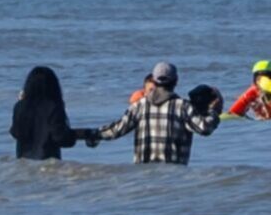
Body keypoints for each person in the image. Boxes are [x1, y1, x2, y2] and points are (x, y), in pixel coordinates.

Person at [91, 62, 220, 164]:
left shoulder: (139, 106)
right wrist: (214, 110)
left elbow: (116, 130)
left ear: (154, 80)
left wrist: (90, 135)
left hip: (143, 177)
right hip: (174, 177)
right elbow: (205, 129)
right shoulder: (183, 106)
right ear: (175, 81)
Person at [10, 66, 90, 160]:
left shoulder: (19, 106)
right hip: (47, 164)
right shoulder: (54, 106)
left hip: (24, 167)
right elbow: (61, 138)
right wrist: (83, 135)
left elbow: (15, 133)